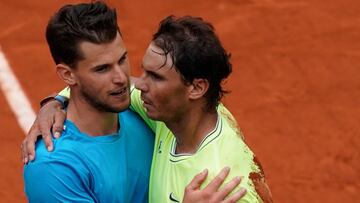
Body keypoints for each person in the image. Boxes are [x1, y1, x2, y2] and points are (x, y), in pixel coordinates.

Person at [22, 5, 271, 203]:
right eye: (102, 69)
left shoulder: (220, 186)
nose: (124, 80)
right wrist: (55, 102)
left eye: (122, 60)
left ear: (196, 89)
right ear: (68, 75)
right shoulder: (54, 168)